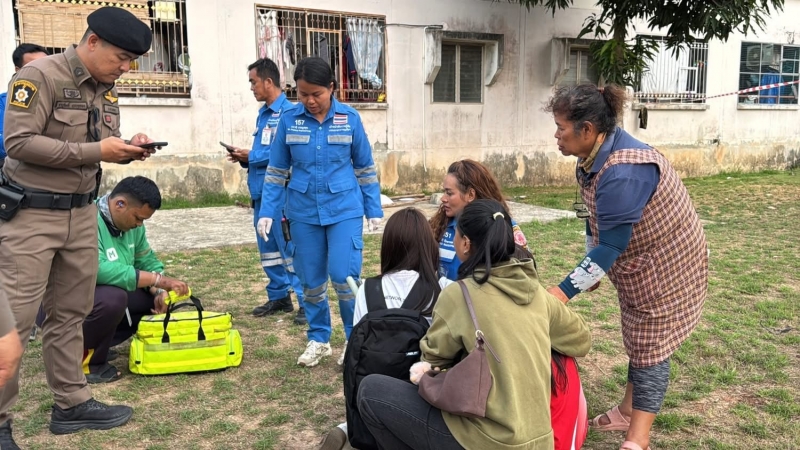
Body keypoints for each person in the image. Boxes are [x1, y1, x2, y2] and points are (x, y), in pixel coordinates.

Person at [0, 7, 160, 444]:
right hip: (31, 215)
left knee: (70, 315)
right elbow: (19, 142)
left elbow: (96, 145)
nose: (125, 69)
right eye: (122, 58)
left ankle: (70, 404)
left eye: (131, 62)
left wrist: (127, 148)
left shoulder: (105, 89)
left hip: (82, 214)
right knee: (13, 322)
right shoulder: (39, 77)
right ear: (92, 42)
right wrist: (97, 152)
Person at [543, 84, 708, 450]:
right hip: (639, 262)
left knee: (652, 345)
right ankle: (627, 411)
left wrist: (564, 291)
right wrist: (591, 266)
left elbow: (611, 245)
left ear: (587, 129)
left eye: (560, 127)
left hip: (668, 264)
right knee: (638, 335)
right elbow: (595, 220)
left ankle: (638, 438)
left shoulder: (624, 170)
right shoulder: (592, 159)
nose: (556, 135)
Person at [358, 199, 592, 450]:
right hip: (540, 441)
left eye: (456, 234)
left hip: (486, 439)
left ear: (466, 243)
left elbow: (432, 358)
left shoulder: (459, 294)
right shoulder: (537, 294)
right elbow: (581, 340)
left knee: (370, 390)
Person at [257, 57, 383, 368]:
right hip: (302, 212)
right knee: (310, 281)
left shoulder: (349, 119)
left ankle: (354, 340)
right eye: (303, 94)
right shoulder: (289, 120)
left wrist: (373, 208)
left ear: (331, 88)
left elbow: (365, 168)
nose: (310, 101)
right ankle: (318, 339)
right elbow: (276, 170)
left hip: (344, 210)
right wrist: (267, 210)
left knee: (344, 277)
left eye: (317, 94)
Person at [319, 207, 451, 450]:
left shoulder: (367, 290)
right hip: (421, 399)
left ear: (388, 247)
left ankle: (348, 428)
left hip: (371, 394)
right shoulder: (442, 289)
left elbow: (355, 346)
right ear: (428, 246)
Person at [35, 176, 189, 384]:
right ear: (120, 204)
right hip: (60, 302)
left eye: (143, 220)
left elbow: (146, 260)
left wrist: (160, 292)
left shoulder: (134, 228)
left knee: (151, 299)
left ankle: (99, 345)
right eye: (138, 218)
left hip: (94, 296)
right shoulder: (85, 219)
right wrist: (158, 280)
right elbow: (96, 269)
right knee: (113, 299)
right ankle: (84, 363)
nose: (139, 224)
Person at [226, 57, 306, 325]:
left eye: (253, 82)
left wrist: (252, 155)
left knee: (289, 249)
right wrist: (245, 157)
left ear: (268, 82)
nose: (251, 88)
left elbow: (284, 154)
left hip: (281, 196)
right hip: (260, 194)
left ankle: (306, 302)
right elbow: (264, 152)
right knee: (268, 250)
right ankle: (279, 296)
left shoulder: (290, 114)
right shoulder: (263, 114)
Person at [429, 159, 531, 280]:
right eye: (444, 192)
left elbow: (524, 274)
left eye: (449, 193)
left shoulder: (503, 226)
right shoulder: (441, 225)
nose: (443, 198)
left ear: (471, 195)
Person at [0, 43, 49, 169]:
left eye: (46, 66)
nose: (42, 72)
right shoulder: (3, 103)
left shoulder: (64, 100)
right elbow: (6, 143)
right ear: (18, 70)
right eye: (34, 67)